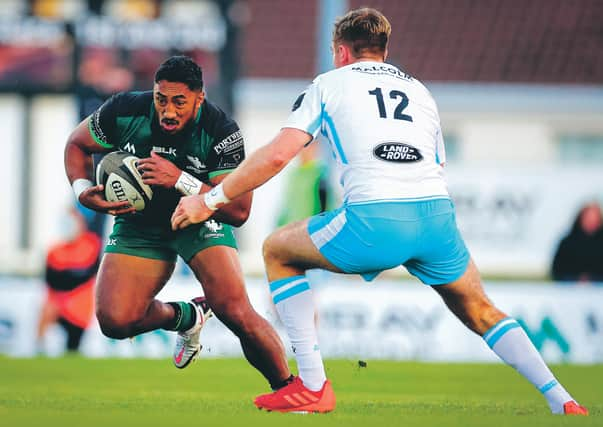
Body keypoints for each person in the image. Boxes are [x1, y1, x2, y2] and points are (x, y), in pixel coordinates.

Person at [170, 9, 589, 415]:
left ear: (341, 52)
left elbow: (278, 156)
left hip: (374, 219)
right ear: (383, 51)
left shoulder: (330, 83)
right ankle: (561, 399)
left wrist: (208, 200)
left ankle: (313, 387)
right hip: (436, 220)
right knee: (481, 309)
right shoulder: (420, 91)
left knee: (278, 250)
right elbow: (435, 164)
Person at [64, 55, 292, 391]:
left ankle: (289, 391)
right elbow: (76, 144)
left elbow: (239, 211)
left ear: (200, 97)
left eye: (179, 102)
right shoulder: (125, 110)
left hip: (197, 217)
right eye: (161, 99)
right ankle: (188, 317)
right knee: (114, 320)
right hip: (139, 221)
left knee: (234, 310)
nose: (168, 111)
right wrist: (82, 191)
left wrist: (180, 179)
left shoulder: (220, 130)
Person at [37, 204, 101, 354]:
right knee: (47, 311)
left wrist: (66, 276)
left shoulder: (92, 245)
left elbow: (86, 273)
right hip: (57, 304)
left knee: (73, 345)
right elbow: (51, 279)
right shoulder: (54, 250)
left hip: (79, 307)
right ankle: (39, 349)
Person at [552, 202, 603, 283]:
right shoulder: (567, 243)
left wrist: (593, 280)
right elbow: (557, 271)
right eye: (588, 218)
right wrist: (576, 280)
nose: (591, 222)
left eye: (595, 218)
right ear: (581, 218)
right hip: (569, 291)